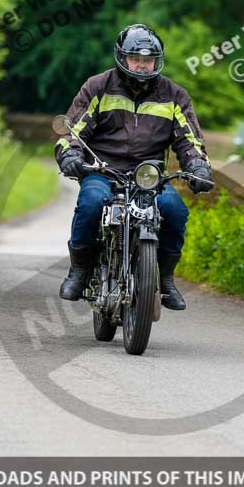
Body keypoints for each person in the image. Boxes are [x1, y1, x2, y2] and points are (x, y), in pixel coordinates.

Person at [54, 23, 213, 310]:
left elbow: (190, 141)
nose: (142, 65)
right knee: (90, 203)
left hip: (149, 177)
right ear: (123, 58)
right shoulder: (98, 86)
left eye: (148, 59)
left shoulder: (175, 95)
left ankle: (164, 278)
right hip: (102, 170)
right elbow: (73, 132)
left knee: (175, 210)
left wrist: (199, 167)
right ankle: (79, 269)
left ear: (157, 60)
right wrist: (71, 156)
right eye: (136, 59)